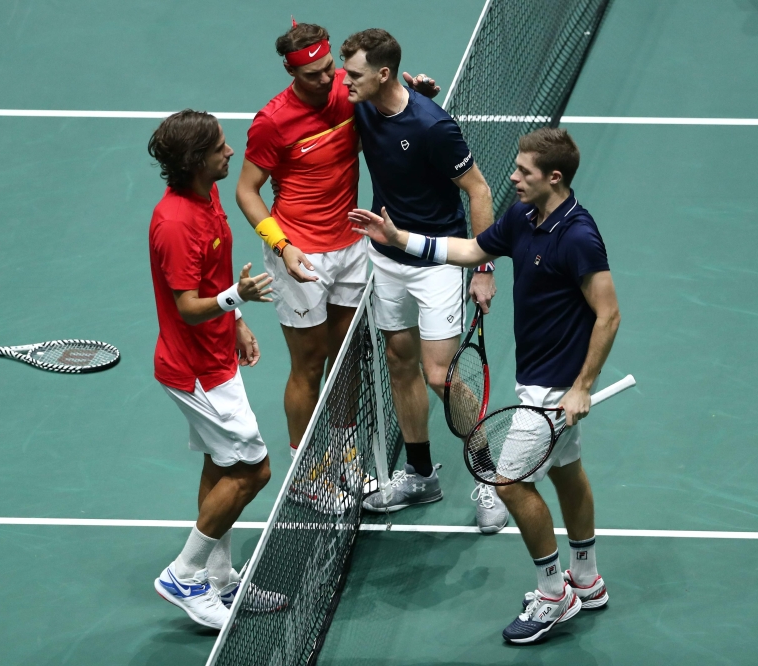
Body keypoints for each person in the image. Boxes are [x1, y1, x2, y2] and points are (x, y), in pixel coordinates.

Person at [350, 127, 621, 643]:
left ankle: (552, 594)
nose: (513, 177)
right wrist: (400, 239)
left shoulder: (579, 236)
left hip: (555, 389)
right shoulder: (523, 215)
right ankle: (585, 579)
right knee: (566, 472)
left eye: (524, 171)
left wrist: (583, 385)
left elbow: (608, 316)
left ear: (554, 178)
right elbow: (472, 250)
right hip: (537, 376)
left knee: (508, 482)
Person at [236, 20, 442, 509]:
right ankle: (307, 472)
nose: (328, 82)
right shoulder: (272, 121)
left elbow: (391, 101)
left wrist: (417, 93)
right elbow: (246, 191)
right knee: (309, 364)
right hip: (299, 252)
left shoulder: (347, 94)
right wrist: (283, 247)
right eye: (313, 76)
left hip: (350, 245)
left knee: (347, 357)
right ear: (291, 71)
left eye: (331, 70)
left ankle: (345, 455)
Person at [339, 28, 507, 531]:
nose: (344, 83)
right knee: (399, 362)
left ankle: (489, 477)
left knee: (440, 375)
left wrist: (482, 267)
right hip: (386, 255)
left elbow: (479, 190)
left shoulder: (433, 126)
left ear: (383, 74)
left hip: (438, 261)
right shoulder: (363, 104)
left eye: (353, 74)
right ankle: (419, 475)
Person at [148, 110, 277, 629]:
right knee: (254, 469)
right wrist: (233, 298)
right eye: (222, 147)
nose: (231, 153)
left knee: (224, 466)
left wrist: (238, 318)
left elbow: (214, 277)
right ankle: (184, 574)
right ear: (197, 160)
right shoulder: (176, 223)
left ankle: (218, 581)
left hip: (218, 354)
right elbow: (187, 304)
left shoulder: (208, 194)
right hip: (195, 369)